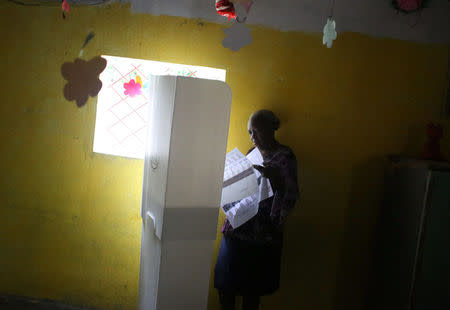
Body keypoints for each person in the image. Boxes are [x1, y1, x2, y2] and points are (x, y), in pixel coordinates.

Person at [214, 110, 300, 310]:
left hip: (262, 235)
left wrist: (276, 180)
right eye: (250, 133)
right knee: (224, 285)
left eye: (257, 132)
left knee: (251, 292)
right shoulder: (250, 154)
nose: (253, 138)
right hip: (237, 229)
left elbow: (291, 195)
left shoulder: (285, 157)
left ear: (272, 129)